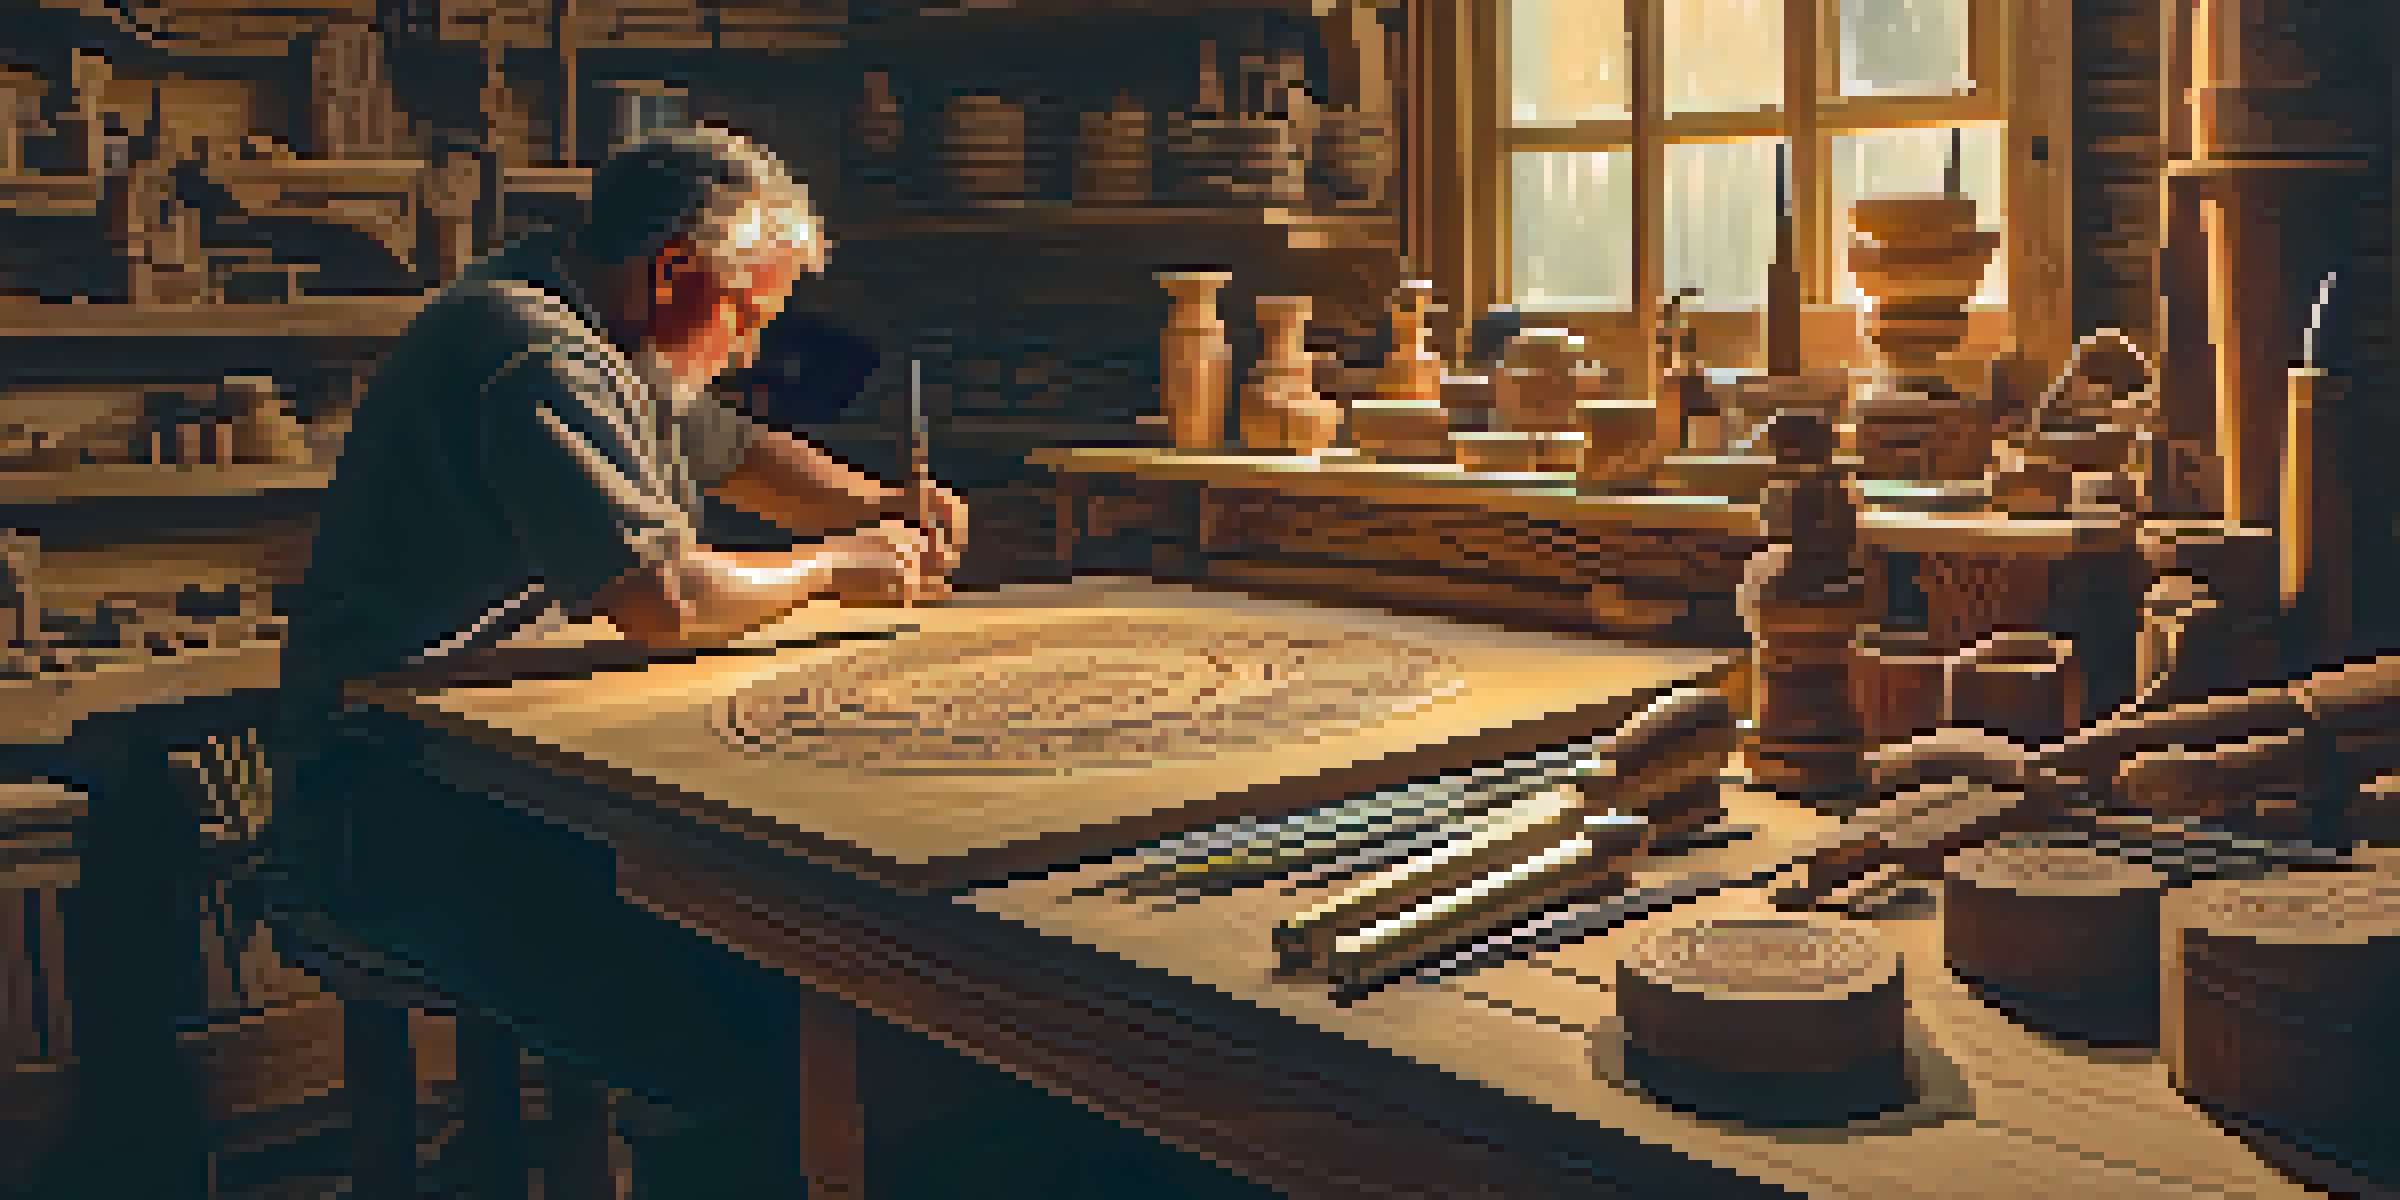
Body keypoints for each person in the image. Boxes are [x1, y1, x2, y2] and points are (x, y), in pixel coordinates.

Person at [270, 125, 967, 1193]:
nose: (744, 351)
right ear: (678, 270)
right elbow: (665, 595)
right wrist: (834, 567)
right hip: (397, 811)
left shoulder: (596, 321)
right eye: (745, 317)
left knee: (791, 973)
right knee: (752, 1055)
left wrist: (877, 501)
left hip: (496, 778)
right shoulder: (534, 352)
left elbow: (732, 451)